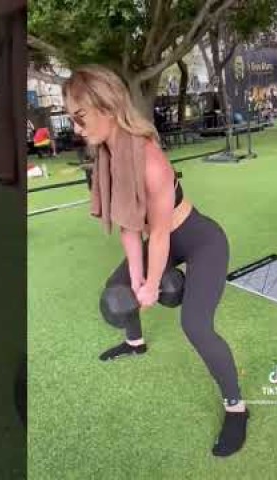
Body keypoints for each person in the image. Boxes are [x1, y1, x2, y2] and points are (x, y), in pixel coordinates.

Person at [62, 65, 250, 458]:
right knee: (117, 288)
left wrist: (151, 285)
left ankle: (237, 407)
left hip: (199, 240)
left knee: (196, 325)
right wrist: (137, 279)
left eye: (80, 117)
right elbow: (130, 228)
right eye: (72, 119)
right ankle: (135, 343)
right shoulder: (108, 155)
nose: (76, 128)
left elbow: (160, 233)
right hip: (161, 240)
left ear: (107, 107)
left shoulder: (149, 161)